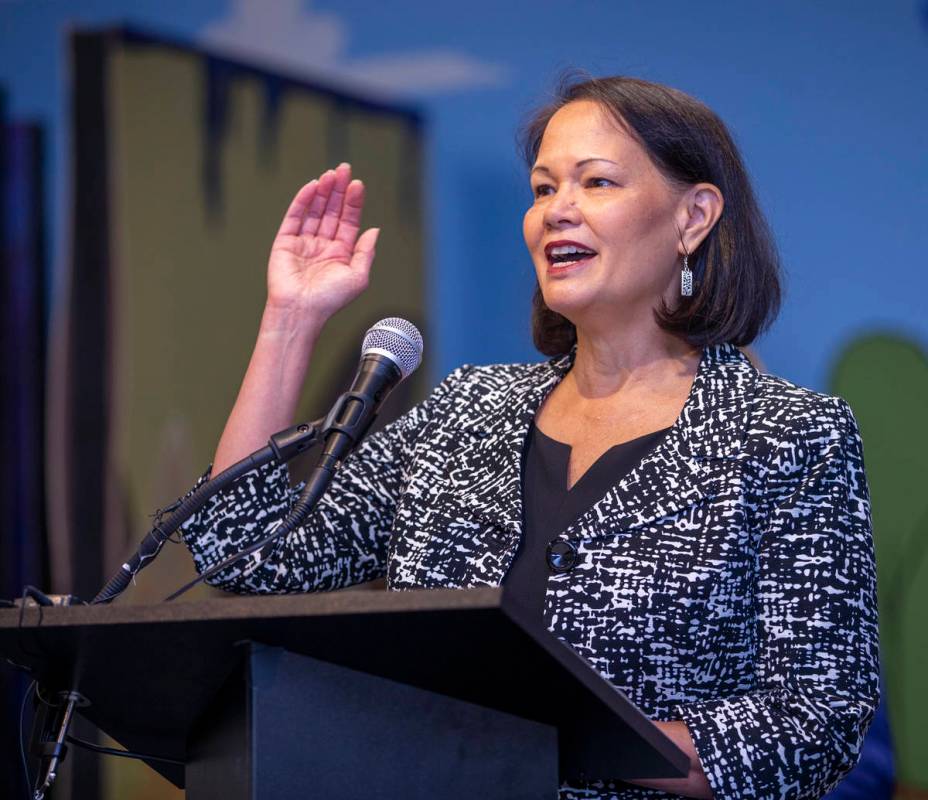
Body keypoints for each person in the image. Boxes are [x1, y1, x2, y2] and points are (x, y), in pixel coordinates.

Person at [180, 76, 880, 800]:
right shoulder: (465, 411)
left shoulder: (788, 435)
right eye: (543, 190)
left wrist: (562, 736)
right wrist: (290, 319)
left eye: (596, 182)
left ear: (694, 217)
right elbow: (249, 550)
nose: (557, 212)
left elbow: (814, 723)